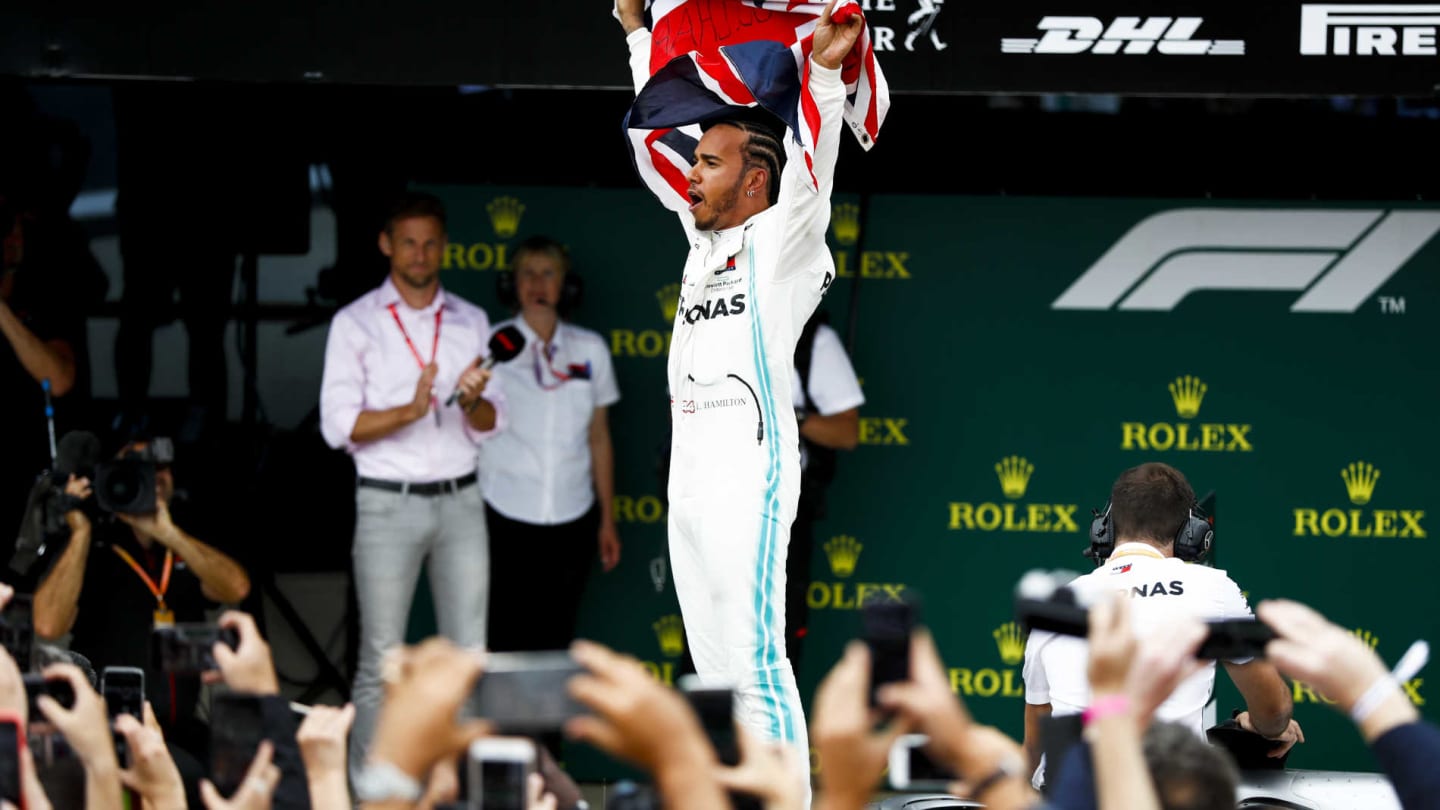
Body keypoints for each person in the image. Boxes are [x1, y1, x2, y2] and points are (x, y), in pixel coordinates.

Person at [615, 0, 866, 786]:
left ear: (756, 179)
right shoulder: (703, 237)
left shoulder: (784, 238)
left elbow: (815, 155)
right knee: (713, 672)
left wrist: (821, 72)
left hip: (746, 474)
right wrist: (636, 37)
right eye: (695, 163)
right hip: (687, 477)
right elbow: (649, 140)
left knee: (757, 666)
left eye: (710, 163)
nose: (691, 170)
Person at [318, 190, 505, 787]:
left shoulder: (472, 319)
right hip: (386, 502)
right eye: (408, 242)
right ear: (386, 245)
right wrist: (409, 408)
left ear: (443, 247)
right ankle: (368, 792)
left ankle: (467, 790)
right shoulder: (355, 323)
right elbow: (337, 427)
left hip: (460, 500)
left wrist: (471, 402)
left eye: (430, 243)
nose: (420, 254)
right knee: (381, 660)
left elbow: (490, 423)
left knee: (468, 659)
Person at [1021, 461, 1300, 790]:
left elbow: (1034, 746)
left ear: (1104, 528)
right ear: (1192, 534)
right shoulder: (1213, 588)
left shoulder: (1057, 606)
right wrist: (1260, 725)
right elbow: (1274, 710)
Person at [29, 436, 252, 805]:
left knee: (242, 772)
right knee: (188, 778)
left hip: (183, 726)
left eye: (159, 465)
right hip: (114, 726)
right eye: (133, 466)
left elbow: (235, 589)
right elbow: (48, 625)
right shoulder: (92, 542)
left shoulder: (185, 536)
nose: (150, 474)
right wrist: (81, 531)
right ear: (108, 476)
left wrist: (167, 532)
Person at [480, 234, 622, 659]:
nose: (537, 284)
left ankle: (546, 729)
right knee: (502, 639)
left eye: (548, 274)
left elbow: (599, 437)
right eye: (528, 273)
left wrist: (608, 520)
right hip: (504, 513)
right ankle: (502, 728)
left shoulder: (590, 349)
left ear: (566, 286)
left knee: (556, 639)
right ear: (512, 284)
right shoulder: (491, 346)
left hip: (571, 516)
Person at [788, 310, 862, 674]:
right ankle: (693, 731)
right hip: (713, 506)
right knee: (705, 634)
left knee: (781, 634)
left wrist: (785, 416)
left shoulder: (811, 340)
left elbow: (847, 433)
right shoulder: (707, 325)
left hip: (783, 513)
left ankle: (771, 732)